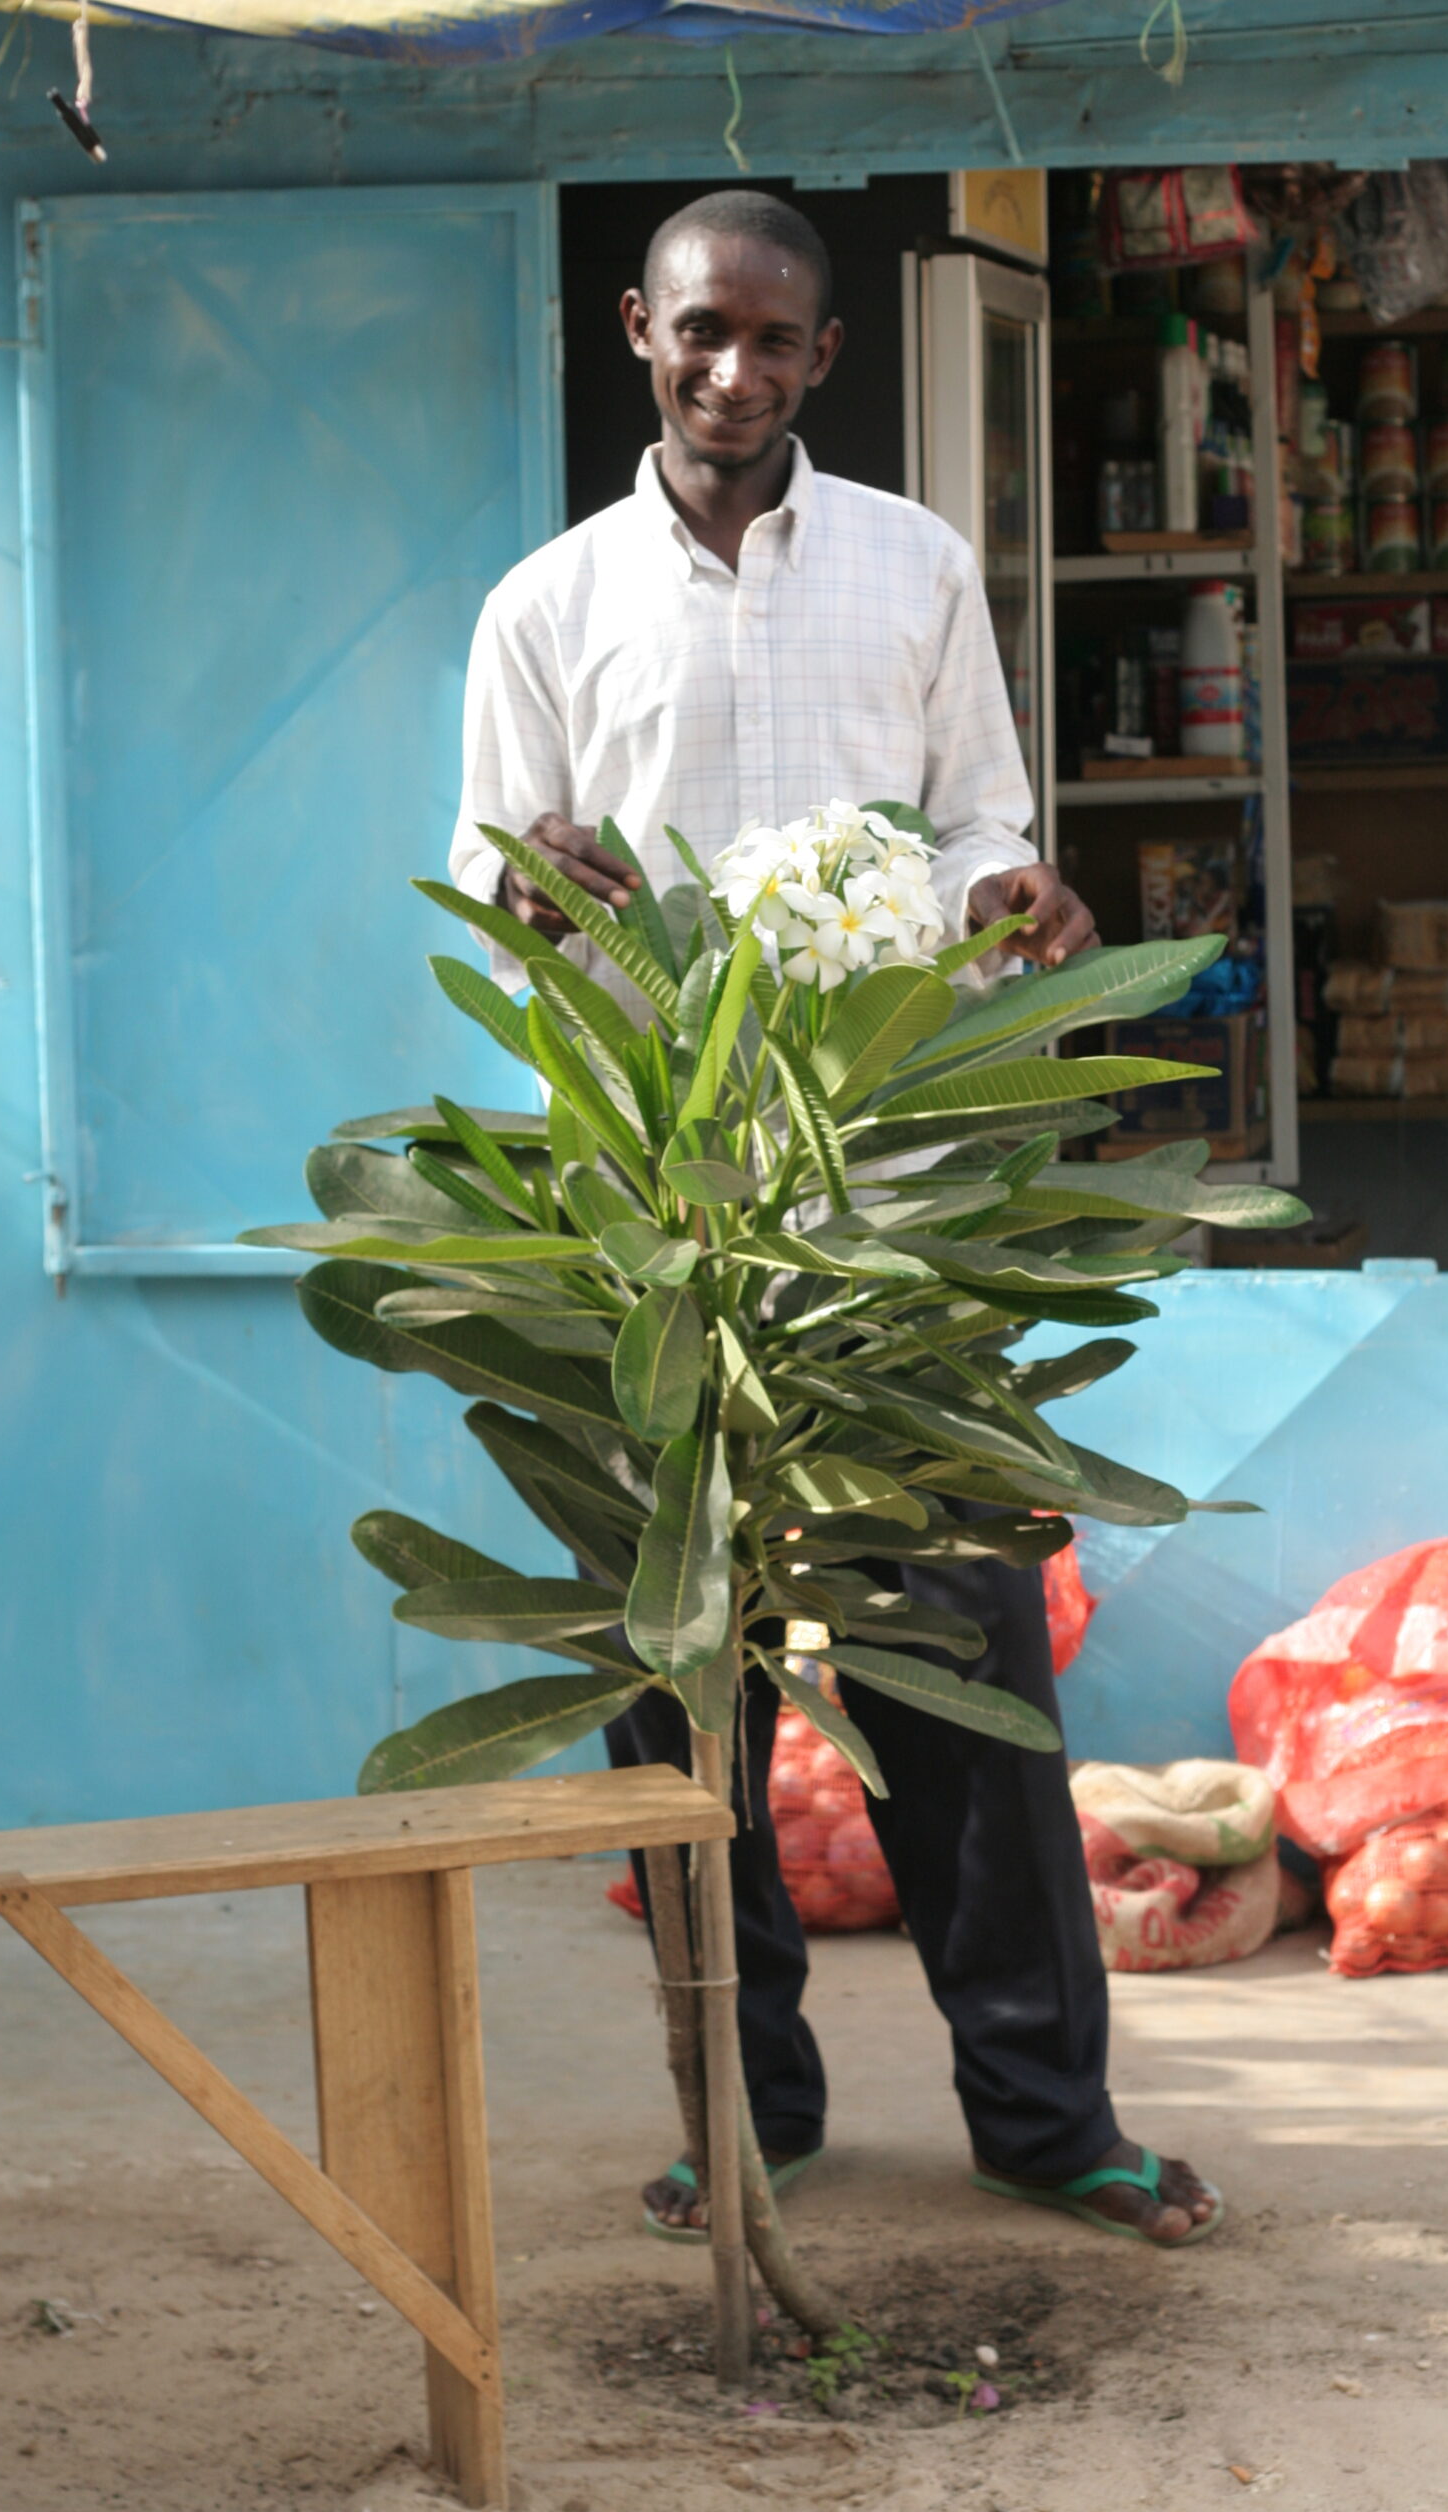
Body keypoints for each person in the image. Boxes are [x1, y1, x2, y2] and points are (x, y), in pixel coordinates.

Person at [451, 189, 1220, 2251]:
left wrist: (1006, 891)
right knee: (675, 1683)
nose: (736, 370)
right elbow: (490, 877)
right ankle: (744, 2116)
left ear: (825, 354)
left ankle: (1044, 2120)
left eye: (774, 338)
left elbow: (981, 816)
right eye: (701, 331)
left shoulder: (914, 561)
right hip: (664, 1222)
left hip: (891, 1203)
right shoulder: (545, 603)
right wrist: (528, 886)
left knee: (963, 1661)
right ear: (639, 332)